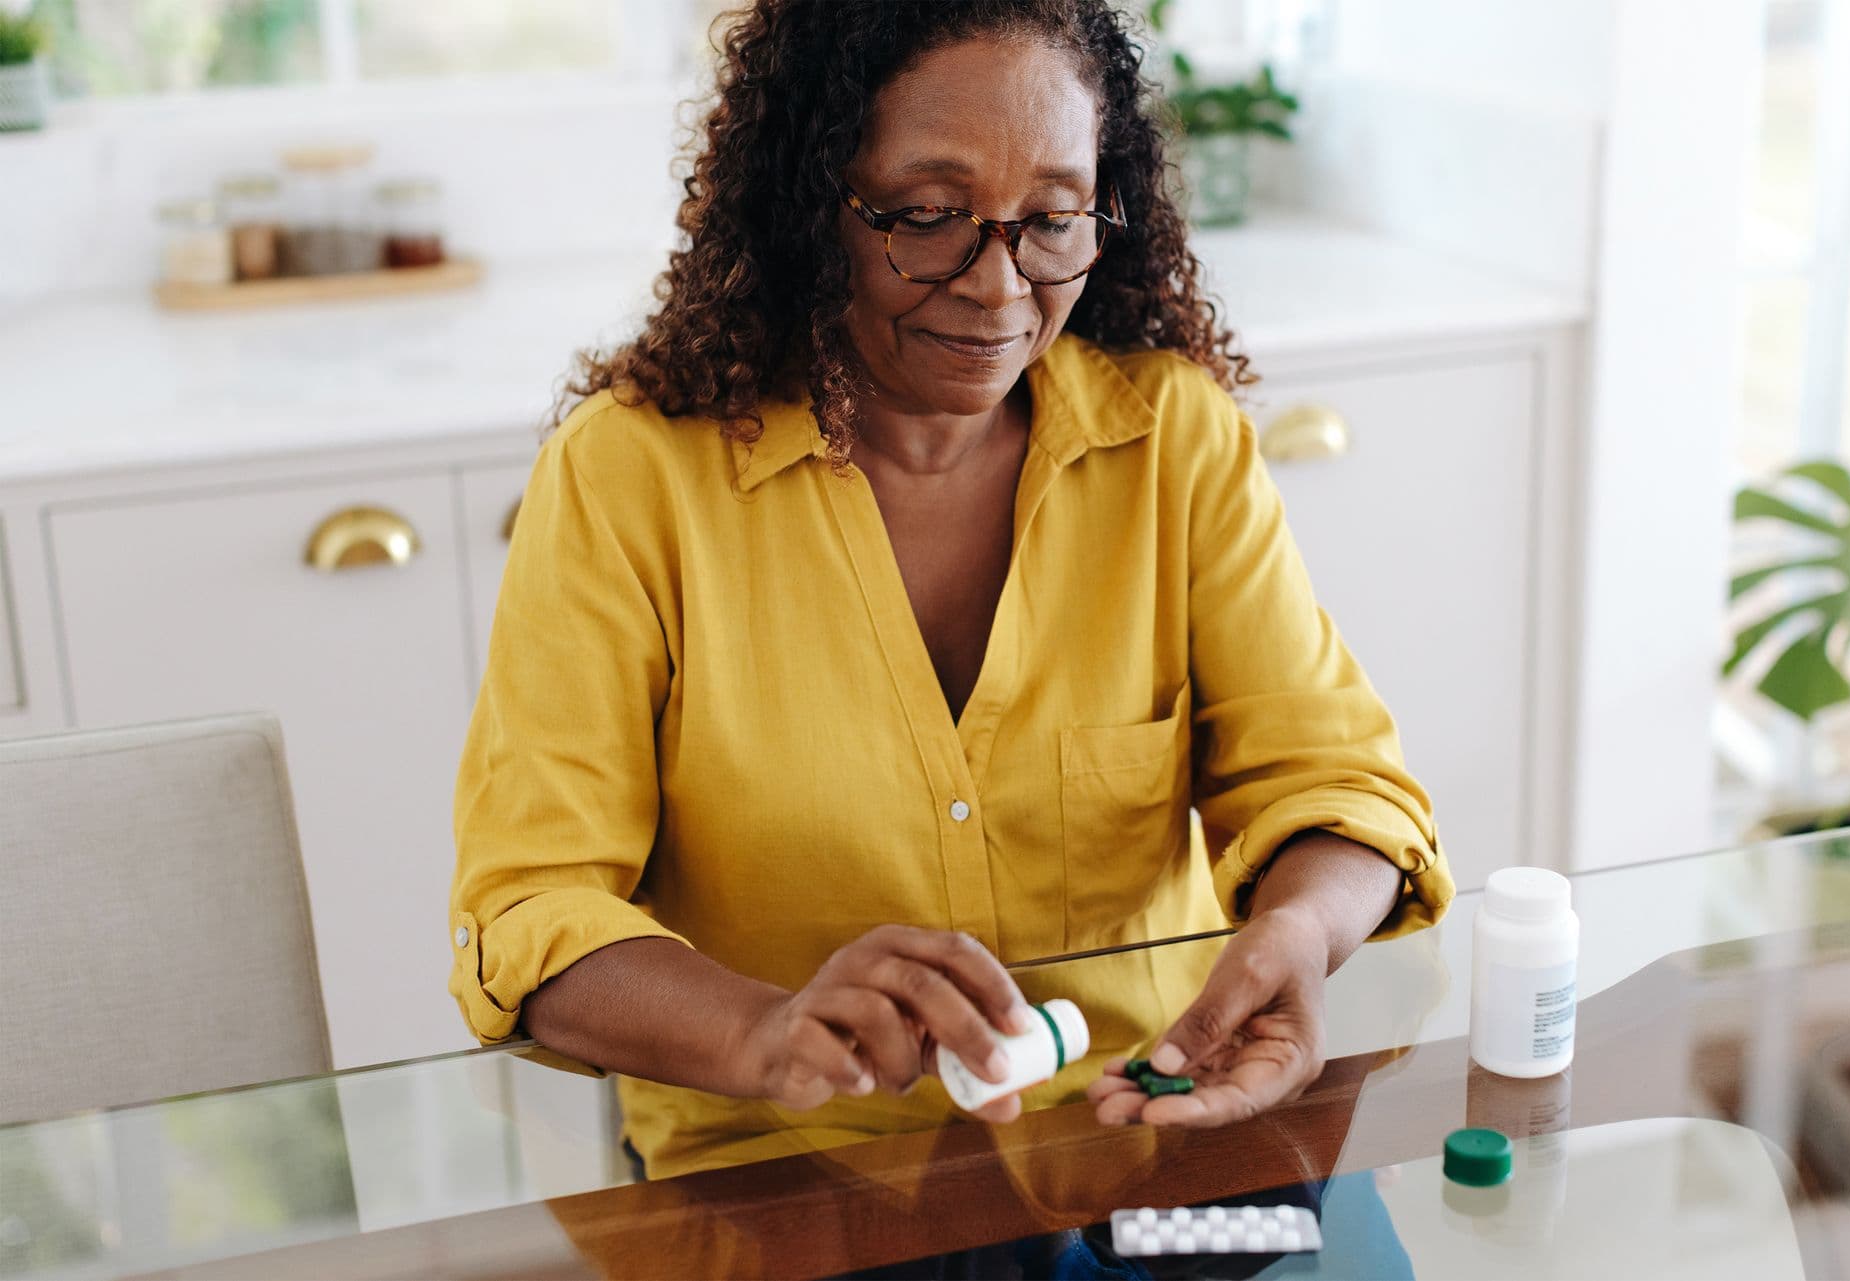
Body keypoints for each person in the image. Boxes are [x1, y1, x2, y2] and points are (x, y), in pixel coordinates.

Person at [448, 0, 1452, 1181]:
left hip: (1144, 1130)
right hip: (785, 1175)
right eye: (928, 218)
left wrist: (1296, 930)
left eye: (1054, 221)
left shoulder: (1170, 439)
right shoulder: (635, 476)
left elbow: (1334, 781)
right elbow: (530, 906)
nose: (1000, 288)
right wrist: (763, 1035)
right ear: (811, 200)